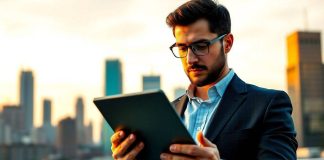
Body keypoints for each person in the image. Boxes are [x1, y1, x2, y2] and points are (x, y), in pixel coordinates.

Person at [110, 0, 298, 159]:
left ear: (228, 43)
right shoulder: (166, 113)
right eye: (182, 48)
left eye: (200, 46)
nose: (190, 59)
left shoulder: (268, 105)